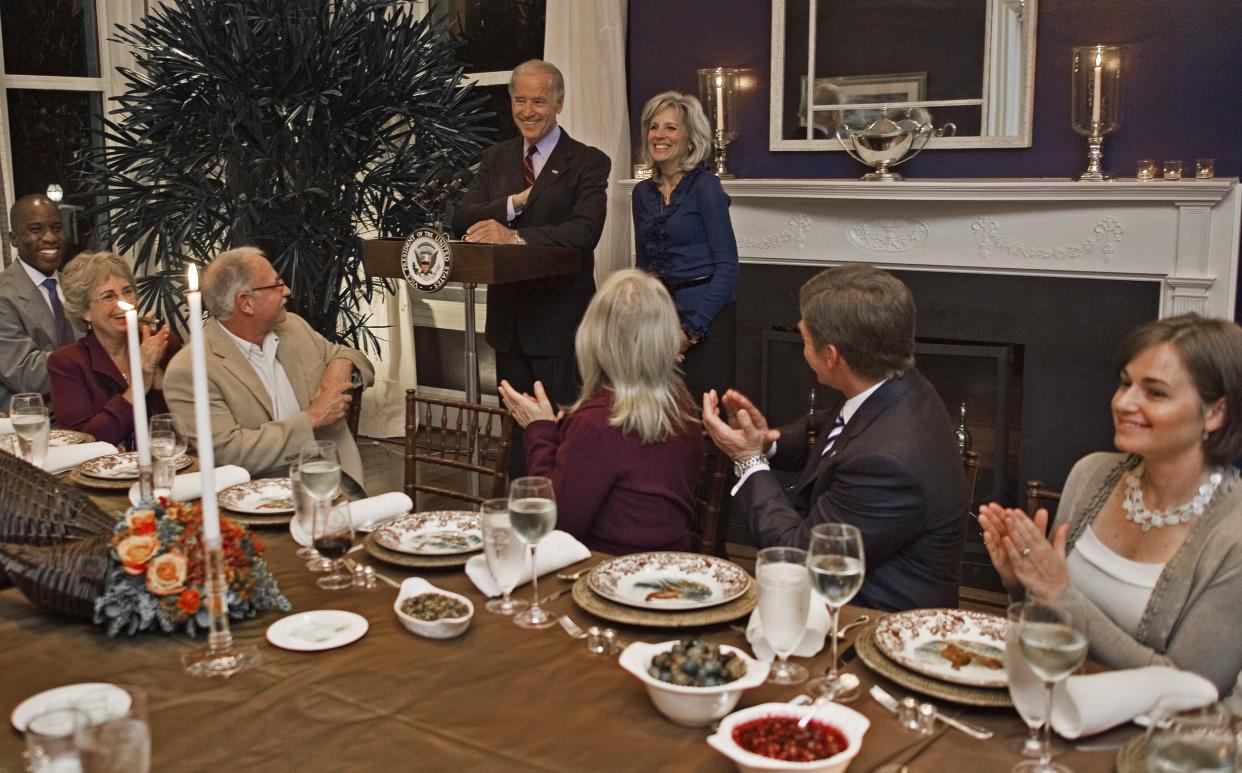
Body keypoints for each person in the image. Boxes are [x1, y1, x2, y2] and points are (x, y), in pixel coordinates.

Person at [979, 313, 1242, 704]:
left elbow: (1191, 690)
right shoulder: (1090, 475)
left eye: (1154, 392)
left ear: (1216, 413)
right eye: (1125, 383)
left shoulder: (1232, 533)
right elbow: (1050, 627)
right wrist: (1021, 582)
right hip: (1054, 708)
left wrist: (1059, 593)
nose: (1124, 402)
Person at [702, 264, 967, 611]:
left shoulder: (888, 464)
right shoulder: (898, 386)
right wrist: (769, 441)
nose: (803, 349)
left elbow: (798, 557)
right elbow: (834, 426)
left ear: (831, 355)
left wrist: (749, 459)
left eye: (805, 340)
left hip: (868, 627)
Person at [451, 58, 610, 475]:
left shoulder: (588, 161)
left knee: (562, 429)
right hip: (509, 325)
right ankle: (517, 513)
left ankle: (564, 520)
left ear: (559, 102)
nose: (527, 110)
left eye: (538, 101)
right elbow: (462, 218)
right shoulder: (496, 157)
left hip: (560, 322)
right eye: (519, 100)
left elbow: (584, 232)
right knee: (516, 435)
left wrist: (514, 235)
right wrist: (512, 204)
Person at [498, 269, 703, 555]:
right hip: (672, 570)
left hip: (604, 577)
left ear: (594, 337)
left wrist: (540, 431)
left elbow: (555, 527)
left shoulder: (597, 423)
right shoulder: (683, 405)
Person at [163, 247, 375, 485]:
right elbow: (228, 453)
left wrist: (341, 366)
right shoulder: (190, 370)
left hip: (338, 483)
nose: (287, 291)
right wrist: (311, 419)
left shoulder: (294, 328)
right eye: (276, 285)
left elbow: (354, 358)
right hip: (257, 499)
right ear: (246, 303)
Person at [632, 91, 739, 401]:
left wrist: (689, 333)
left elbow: (728, 268)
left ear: (691, 138)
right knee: (657, 419)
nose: (659, 135)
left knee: (699, 422)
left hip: (706, 318)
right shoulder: (641, 193)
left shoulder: (706, 187)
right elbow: (643, 267)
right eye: (654, 127)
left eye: (671, 127)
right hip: (659, 323)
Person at [48, 251, 179, 448]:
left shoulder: (165, 344)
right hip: (101, 475)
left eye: (127, 291)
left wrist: (157, 374)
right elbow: (81, 441)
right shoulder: (67, 363)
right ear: (85, 312)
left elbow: (190, 427)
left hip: (172, 466)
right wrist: (139, 386)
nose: (123, 303)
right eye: (108, 296)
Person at [0, 194, 79, 410]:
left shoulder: (77, 286)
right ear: (13, 239)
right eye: (36, 230)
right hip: (38, 424)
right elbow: (27, 375)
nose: (50, 238)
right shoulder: (3, 295)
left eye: (56, 227)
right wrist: (98, 351)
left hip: (92, 413)